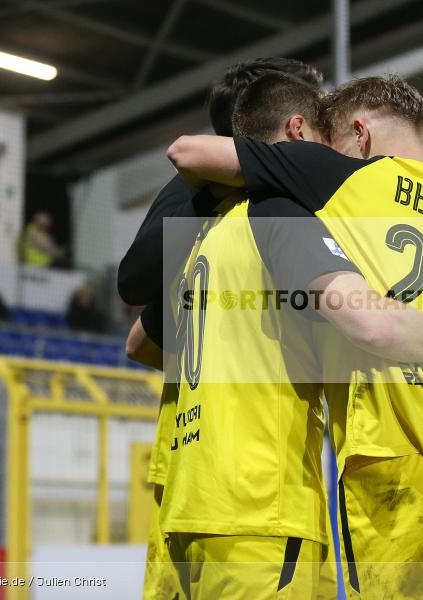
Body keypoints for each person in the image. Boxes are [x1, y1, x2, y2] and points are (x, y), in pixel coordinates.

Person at [168, 74, 423, 599]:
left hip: (394, 457)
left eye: (337, 142)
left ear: (360, 134)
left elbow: (191, 154)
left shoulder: (343, 177)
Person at [118, 58, 332, 600]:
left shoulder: (203, 232)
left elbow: (138, 340)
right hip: (256, 497)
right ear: (295, 128)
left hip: (184, 487)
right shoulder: (275, 215)